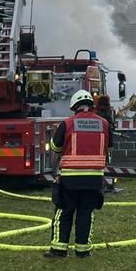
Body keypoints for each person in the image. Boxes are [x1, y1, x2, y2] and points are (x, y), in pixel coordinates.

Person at [45, 90, 111, 259]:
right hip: (94, 179)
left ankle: (58, 250)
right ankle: (83, 251)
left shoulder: (67, 123)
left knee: (64, 212)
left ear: (74, 107)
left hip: (70, 179)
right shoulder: (104, 123)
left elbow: (55, 147)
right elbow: (109, 146)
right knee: (86, 213)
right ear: (91, 105)